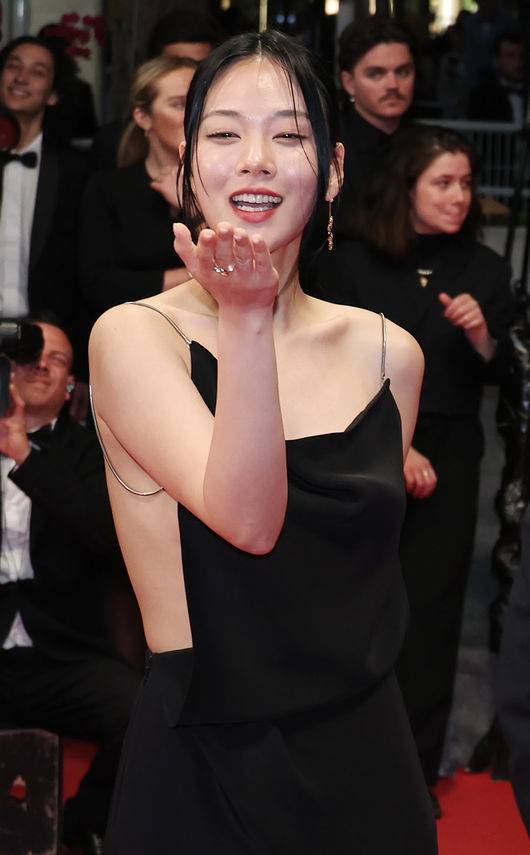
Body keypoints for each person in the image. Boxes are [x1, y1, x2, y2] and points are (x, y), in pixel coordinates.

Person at [89, 29, 436, 855]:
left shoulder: (389, 353)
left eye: (288, 135)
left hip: (369, 757)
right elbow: (248, 522)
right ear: (187, 167)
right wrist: (245, 320)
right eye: (223, 133)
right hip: (208, 761)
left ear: (335, 170)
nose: (255, 161)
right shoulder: (135, 338)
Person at [307, 125, 514, 814]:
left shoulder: (485, 269)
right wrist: (395, 444)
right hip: (360, 442)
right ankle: (338, 755)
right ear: (408, 187)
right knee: (351, 603)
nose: (460, 196)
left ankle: (413, 769)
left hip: (451, 451)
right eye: (443, 183)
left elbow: (499, 376)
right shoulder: (351, 265)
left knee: (433, 608)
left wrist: (483, 337)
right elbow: (326, 363)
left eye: (466, 183)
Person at [0, 314, 142, 854]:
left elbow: (106, 536)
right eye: (29, 354)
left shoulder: (93, 453)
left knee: (143, 710)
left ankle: (79, 825)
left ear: (70, 386)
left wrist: (24, 457)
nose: (40, 364)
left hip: (62, 652)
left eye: (56, 358)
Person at [80, 56, 197, 330]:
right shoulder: (108, 188)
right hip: (130, 332)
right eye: (179, 104)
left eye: (200, 103)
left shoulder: (225, 185)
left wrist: (192, 206)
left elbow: (247, 265)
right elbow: (100, 286)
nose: (194, 115)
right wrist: (201, 277)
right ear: (143, 117)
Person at [0, 37, 88, 356]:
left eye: (37, 72)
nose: (21, 78)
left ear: (53, 95)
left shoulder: (75, 172)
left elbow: (82, 270)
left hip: (44, 341)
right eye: (13, 66)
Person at [90, 9, 221, 171]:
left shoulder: (228, 136)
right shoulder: (112, 143)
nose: (189, 74)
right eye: (176, 64)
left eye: (200, 67)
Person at [335, 15, 415, 238]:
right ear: (349, 83)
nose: (393, 85)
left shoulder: (425, 146)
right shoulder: (328, 146)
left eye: (403, 72)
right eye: (376, 74)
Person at [468, 32, 525, 125]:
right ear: (497, 61)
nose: (518, 62)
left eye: (522, 56)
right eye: (510, 56)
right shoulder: (482, 97)